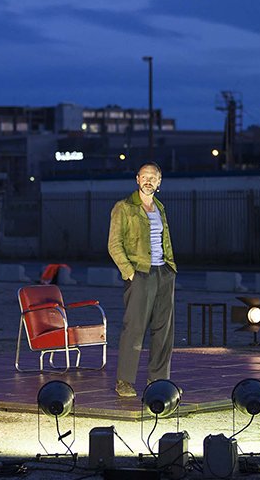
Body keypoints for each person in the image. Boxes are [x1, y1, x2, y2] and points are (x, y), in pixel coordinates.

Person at [107, 162, 177, 398]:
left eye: (153, 177)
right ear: (137, 179)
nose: (149, 181)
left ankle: (159, 381)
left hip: (163, 272)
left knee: (164, 330)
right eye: (144, 176)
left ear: (159, 182)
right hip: (140, 273)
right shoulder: (124, 207)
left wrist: (169, 268)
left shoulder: (160, 207)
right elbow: (114, 245)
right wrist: (130, 272)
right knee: (134, 328)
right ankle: (124, 381)